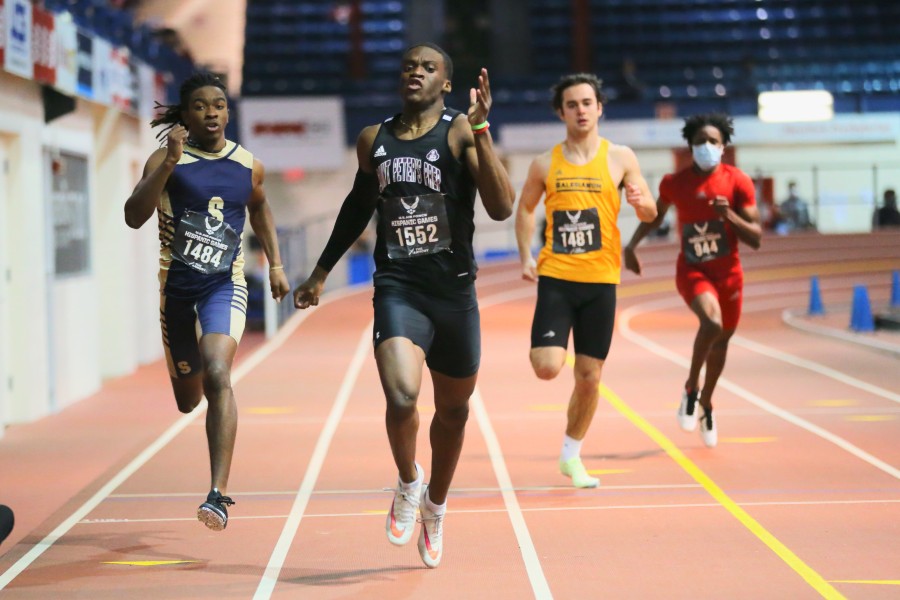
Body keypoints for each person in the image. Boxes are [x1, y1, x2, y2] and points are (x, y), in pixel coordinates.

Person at [293, 43, 514, 568]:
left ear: (446, 83)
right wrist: (321, 271)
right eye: (409, 66)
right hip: (399, 287)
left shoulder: (460, 131)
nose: (416, 71)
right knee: (401, 396)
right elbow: (356, 207)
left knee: (454, 411)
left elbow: (502, 206)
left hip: (455, 293)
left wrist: (482, 132)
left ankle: (436, 505)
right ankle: (409, 481)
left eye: (428, 67)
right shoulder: (375, 139)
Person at [124, 72, 290, 531]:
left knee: (219, 372)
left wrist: (275, 263)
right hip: (176, 289)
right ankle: (190, 384)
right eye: (200, 106)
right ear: (186, 114)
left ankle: (217, 494)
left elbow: (259, 206)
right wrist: (168, 164)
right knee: (187, 400)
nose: (211, 112)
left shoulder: (248, 164)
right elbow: (133, 216)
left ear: (228, 112)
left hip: (224, 283)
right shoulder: (166, 158)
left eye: (218, 104)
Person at [515, 73, 657, 488]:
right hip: (557, 278)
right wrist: (526, 256)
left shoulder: (621, 158)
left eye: (587, 103)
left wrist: (641, 201)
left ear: (600, 108)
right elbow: (525, 210)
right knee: (547, 367)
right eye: (572, 104)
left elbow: (649, 212)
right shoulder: (545, 162)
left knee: (590, 377)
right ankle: (568, 434)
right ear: (561, 112)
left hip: (601, 282)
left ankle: (571, 455)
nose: (581, 110)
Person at [624, 113, 762, 448]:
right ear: (690, 146)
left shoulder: (738, 181)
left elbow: (756, 238)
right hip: (693, 270)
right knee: (711, 323)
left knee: (722, 341)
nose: (705, 147)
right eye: (699, 142)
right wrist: (631, 245)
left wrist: (728, 215)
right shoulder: (675, 183)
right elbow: (655, 217)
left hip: (729, 273)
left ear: (723, 146)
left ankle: (707, 404)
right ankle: (690, 388)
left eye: (712, 142)